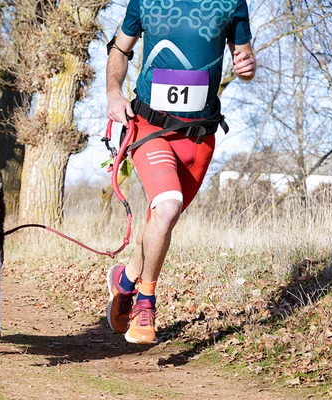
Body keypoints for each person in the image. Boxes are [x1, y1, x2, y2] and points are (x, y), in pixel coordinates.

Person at [105, 0, 256, 344]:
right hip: (150, 126)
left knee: (162, 217)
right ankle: (145, 304)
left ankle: (125, 279)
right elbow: (119, 48)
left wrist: (247, 67)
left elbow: (244, 58)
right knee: (168, 205)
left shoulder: (231, 3)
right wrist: (114, 94)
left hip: (200, 137)